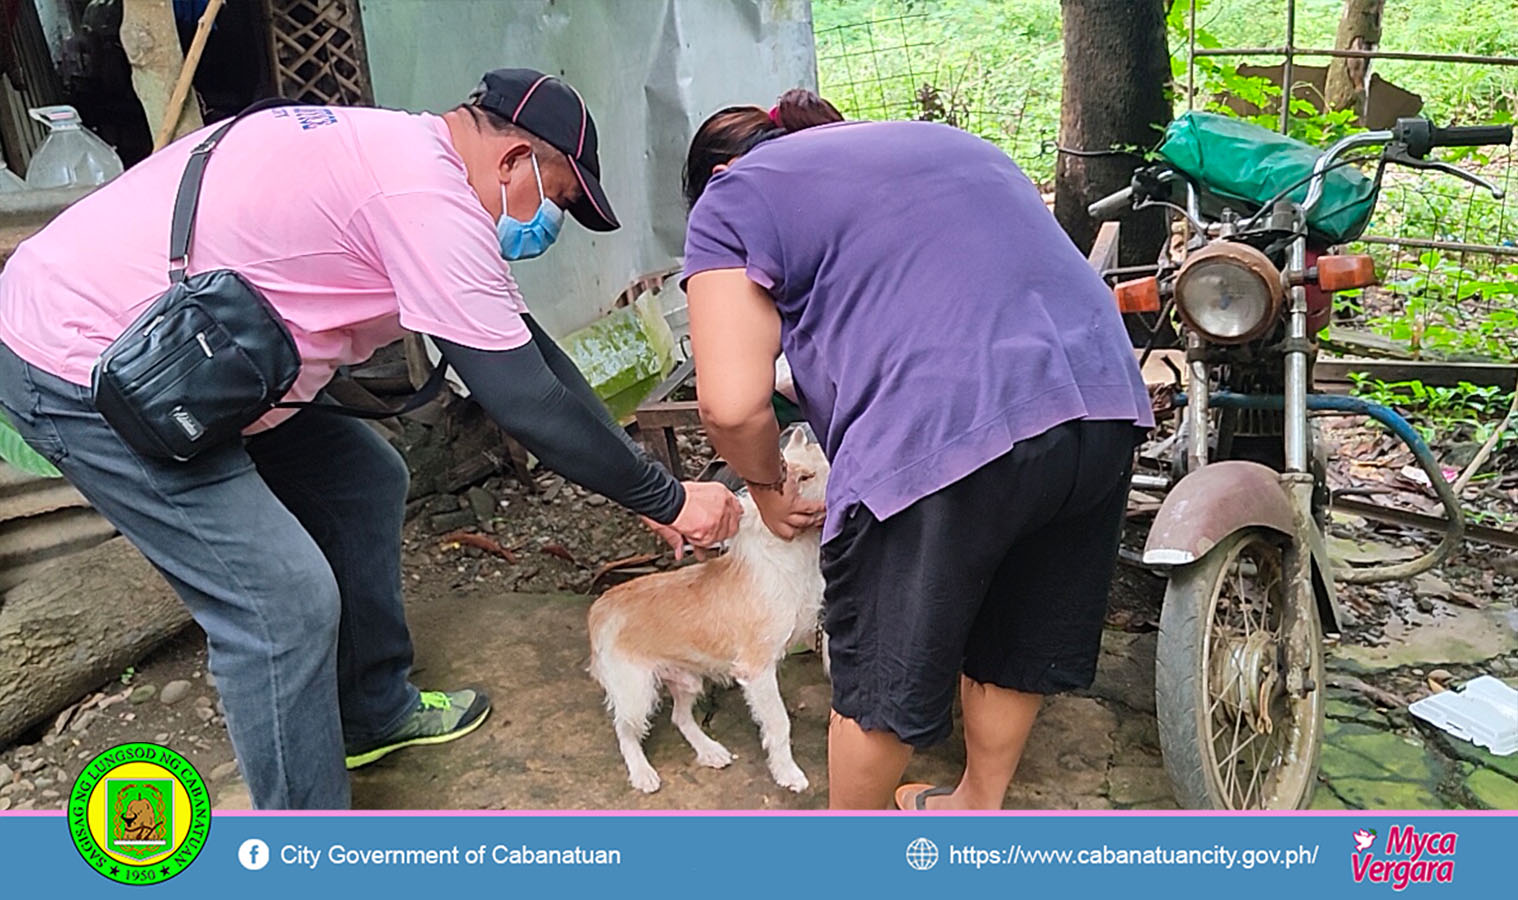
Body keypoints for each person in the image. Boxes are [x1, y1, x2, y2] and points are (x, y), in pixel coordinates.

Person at [0, 68, 740, 809]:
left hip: (202, 352)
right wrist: (668, 499)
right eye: (559, 197)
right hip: (85, 361)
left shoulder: (417, 163)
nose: (550, 223)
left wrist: (647, 489)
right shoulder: (425, 198)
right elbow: (524, 401)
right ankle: (307, 849)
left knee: (362, 478)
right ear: (515, 161)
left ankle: (370, 712)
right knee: (279, 605)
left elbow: (534, 356)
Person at [679, 90, 1154, 810]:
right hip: (1103, 398)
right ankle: (973, 809)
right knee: (1014, 634)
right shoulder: (948, 144)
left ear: (719, 174)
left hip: (942, 427)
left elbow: (731, 403)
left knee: (882, 684)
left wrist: (770, 489)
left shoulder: (733, 197)